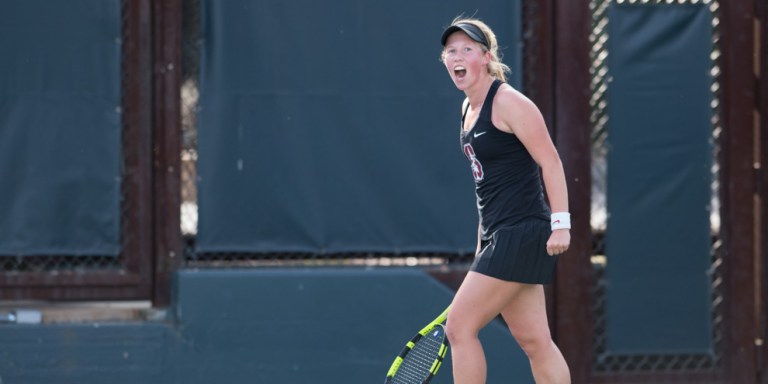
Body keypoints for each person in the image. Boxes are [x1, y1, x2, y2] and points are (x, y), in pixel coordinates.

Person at [440, 17, 572, 383]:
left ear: (485, 57)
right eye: (451, 50)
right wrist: (483, 240)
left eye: (467, 49)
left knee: (459, 328)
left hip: (525, 232)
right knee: (535, 341)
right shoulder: (467, 110)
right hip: (500, 235)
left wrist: (560, 224)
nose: (457, 56)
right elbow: (489, 184)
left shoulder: (511, 103)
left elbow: (551, 161)